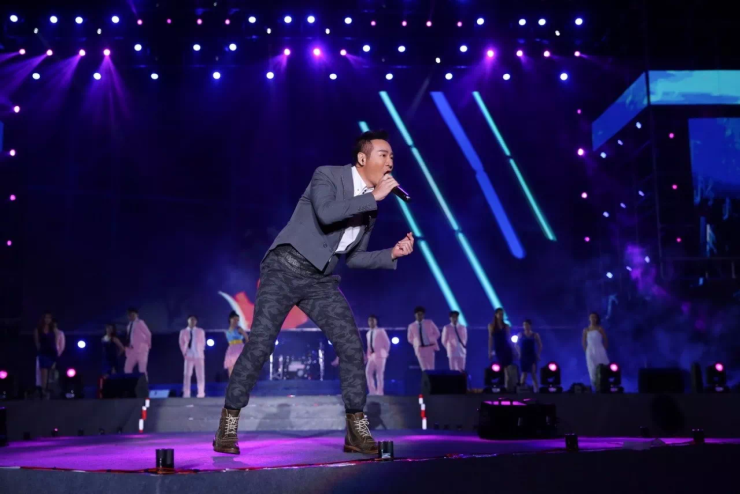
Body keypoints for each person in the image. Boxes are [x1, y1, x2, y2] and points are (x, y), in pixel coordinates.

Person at [214, 130, 415, 456]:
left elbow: (354, 257)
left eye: (392, 156)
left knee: (351, 346)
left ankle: (355, 428)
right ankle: (228, 421)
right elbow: (326, 213)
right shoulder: (328, 176)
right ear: (362, 158)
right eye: (384, 155)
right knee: (261, 344)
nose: (390, 161)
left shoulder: (370, 209)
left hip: (319, 281)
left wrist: (391, 253)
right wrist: (374, 198)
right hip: (283, 268)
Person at [488, 308, 517, 391]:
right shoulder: (491, 326)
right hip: (498, 349)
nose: (501, 316)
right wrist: (489, 351)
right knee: (502, 368)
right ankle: (504, 387)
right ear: (496, 315)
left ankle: (508, 387)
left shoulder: (506, 326)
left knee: (508, 368)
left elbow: (509, 338)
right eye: (500, 314)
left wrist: (514, 350)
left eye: (502, 314)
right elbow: (490, 339)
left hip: (507, 348)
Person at [33, 313, 60, 397]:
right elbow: (37, 342)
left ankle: (50, 390)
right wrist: (40, 350)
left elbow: (56, 342)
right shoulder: (38, 329)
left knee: (51, 372)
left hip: (52, 352)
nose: (47, 319)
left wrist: (55, 354)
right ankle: (43, 390)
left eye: (49, 318)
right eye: (46, 317)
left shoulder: (54, 330)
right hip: (43, 352)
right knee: (43, 371)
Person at [180, 315, 206, 398]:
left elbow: (203, 342)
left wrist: (200, 350)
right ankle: (186, 394)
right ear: (188, 321)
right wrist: (185, 353)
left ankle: (201, 393)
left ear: (196, 321)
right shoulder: (183, 331)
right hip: (189, 356)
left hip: (199, 355)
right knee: (187, 375)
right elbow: (181, 343)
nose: (192, 321)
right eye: (191, 319)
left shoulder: (200, 331)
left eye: (194, 320)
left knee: (200, 375)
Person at [407, 306, 440, 371]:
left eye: (421, 314)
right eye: (418, 314)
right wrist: (417, 342)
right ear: (415, 315)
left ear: (423, 315)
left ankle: (431, 377)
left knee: (431, 367)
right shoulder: (411, 326)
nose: (420, 316)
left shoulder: (429, 322)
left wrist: (430, 340)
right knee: (424, 368)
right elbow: (410, 338)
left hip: (429, 347)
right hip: (419, 349)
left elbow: (437, 333)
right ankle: (426, 377)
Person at [365, 315, 390, 395]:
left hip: (380, 355)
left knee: (379, 374)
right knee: (368, 372)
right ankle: (372, 391)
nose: (371, 322)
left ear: (376, 321)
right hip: (372, 356)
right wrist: (368, 356)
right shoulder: (368, 333)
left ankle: (379, 392)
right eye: (370, 320)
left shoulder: (381, 331)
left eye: (373, 320)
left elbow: (387, 343)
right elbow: (369, 346)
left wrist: (385, 352)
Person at [583, 312, 609, 389]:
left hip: (599, 349)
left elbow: (605, 339)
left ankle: (603, 385)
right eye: (591, 317)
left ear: (597, 319)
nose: (593, 319)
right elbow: (583, 342)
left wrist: (604, 348)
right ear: (589, 318)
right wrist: (586, 351)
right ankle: (595, 385)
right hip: (590, 350)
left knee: (601, 367)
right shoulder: (586, 330)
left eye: (594, 317)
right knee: (592, 368)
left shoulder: (599, 328)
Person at [123, 308, 152, 378]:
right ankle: (130, 383)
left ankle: (144, 384)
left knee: (142, 369)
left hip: (142, 350)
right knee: (127, 368)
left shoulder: (140, 322)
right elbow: (129, 338)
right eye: (130, 315)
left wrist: (148, 345)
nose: (131, 316)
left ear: (137, 315)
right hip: (132, 350)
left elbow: (148, 334)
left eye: (133, 314)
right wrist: (127, 349)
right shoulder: (128, 326)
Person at [517, 320, 542, 389]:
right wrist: (519, 353)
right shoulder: (520, 334)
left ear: (530, 325)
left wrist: (538, 354)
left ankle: (537, 390)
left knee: (533, 373)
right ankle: (521, 389)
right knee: (524, 373)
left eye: (527, 325)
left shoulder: (535, 335)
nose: (525, 326)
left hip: (532, 355)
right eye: (524, 325)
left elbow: (540, 345)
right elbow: (516, 345)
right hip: (524, 355)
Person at [224, 311, 249, 377]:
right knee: (230, 367)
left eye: (237, 320)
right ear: (230, 319)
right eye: (234, 319)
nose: (236, 321)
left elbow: (247, 339)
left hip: (239, 349)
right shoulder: (227, 331)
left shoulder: (239, 329)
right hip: (231, 349)